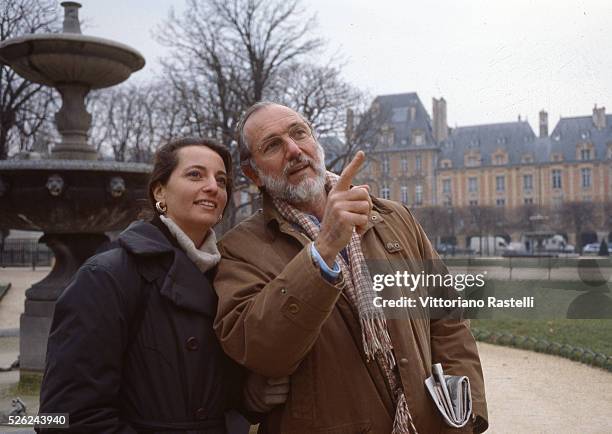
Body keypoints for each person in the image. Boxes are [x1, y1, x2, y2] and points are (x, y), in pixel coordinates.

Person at [213, 102, 489, 433]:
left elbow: (447, 318)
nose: (294, 150)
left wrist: (464, 414)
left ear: (315, 142)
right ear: (253, 173)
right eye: (273, 145)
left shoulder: (393, 217)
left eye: (300, 133)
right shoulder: (239, 250)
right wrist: (323, 250)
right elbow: (262, 351)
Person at [38, 137, 286, 433]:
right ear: (160, 191)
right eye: (195, 174)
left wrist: (249, 398)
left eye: (221, 180)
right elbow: (63, 417)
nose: (213, 187)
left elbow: (209, 395)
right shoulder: (107, 276)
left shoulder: (227, 275)